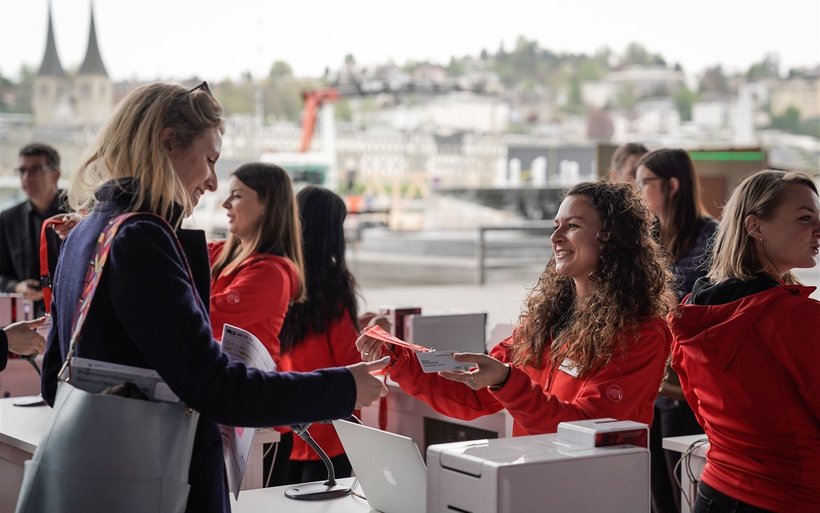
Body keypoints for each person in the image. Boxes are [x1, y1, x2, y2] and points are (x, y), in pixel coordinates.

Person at [40, 82, 389, 513]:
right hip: (158, 483)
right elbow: (215, 387)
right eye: (209, 160)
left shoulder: (84, 235)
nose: (212, 182)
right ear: (168, 143)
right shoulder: (143, 238)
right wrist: (343, 386)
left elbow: (53, 377)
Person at [357, 181, 677, 435]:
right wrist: (397, 355)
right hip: (530, 481)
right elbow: (471, 394)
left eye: (572, 226)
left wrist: (507, 382)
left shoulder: (642, 333)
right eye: (556, 225)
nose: (555, 237)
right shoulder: (545, 322)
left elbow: (584, 430)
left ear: (610, 238)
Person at [671, 170, 820, 513]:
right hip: (788, 498)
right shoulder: (793, 318)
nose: (819, 229)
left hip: (715, 492)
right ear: (755, 227)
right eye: (805, 218)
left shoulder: (692, 312)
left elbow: (700, 409)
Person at [208, 161, 306, 486]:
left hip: (259, 427)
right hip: (227, 412)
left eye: (236, 195)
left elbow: (209, 315)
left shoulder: (270, 274)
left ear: (266, 204)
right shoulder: (222, 256)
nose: (226, 203)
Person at [635, 148, 718, 513]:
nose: (638, 191)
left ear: (671, 185)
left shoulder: (713, 238)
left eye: (644, 182)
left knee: (682, 490)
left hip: (687, 384)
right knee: (654, 491)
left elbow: (709, 305)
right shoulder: (646, 237)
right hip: (647, 380)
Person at [279, 185, 364, 484]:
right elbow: (349, 358)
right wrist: (371, 335)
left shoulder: (278, 273)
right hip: (329, 425)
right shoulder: (332, 285)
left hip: (283, 418)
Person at [0, 143, 69, 315]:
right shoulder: (8, 219)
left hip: (69, 309)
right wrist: (17, 286)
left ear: (55, 175)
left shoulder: (78, 213)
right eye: (22, 170)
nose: (26, 177)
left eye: (36, 169)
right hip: (24, 313)